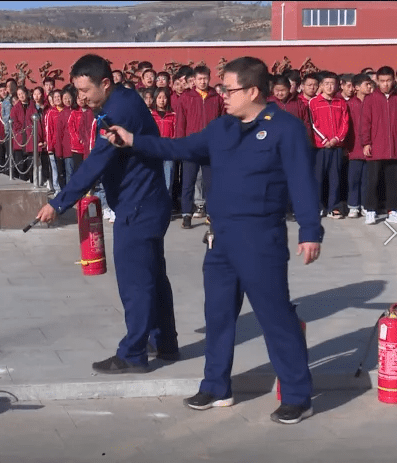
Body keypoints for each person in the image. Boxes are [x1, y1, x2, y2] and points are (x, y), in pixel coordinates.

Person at [106, 56, 322, 425]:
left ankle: (299, 397)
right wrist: (132, 140)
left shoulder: (285, 129)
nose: (223, 94)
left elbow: (303, 182)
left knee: (275, 317)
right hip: (220, 240)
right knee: (218, 315)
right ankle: (216, 386)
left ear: (253, 91)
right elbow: (179, 147)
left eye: (229, 88)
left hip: (261, 240)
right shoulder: (221, 128)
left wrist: (309, 232)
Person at [35, 53, 179, 374]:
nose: (81, 98)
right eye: (77, 92)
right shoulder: (121, 100)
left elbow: (97, 161)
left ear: (105, 82)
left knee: (135, 282)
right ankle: (165, 341)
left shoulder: (120, 111)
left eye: (85, 91)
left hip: (138, 207)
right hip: (148, 202)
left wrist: (59, 203)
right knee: (153, 276)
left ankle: (133, 353)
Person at [176, 65, 223, 228]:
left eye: (205, 79)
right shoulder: (186, 97)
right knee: (188, 182)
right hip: (191, 146)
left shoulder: (216, 98)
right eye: (199, 79)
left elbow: (222, 122)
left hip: (210, 147)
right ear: (194, 80)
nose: (203, 82)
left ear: (209, 79)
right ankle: (187, 215)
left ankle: (212, 214)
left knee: (211, 183)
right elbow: (180, 123)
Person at [360, 66, 397, 225]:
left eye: (389, 81)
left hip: (395, 148)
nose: (385, 84)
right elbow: (365, 123)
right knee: (373, 181)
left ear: (394, 80)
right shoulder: (370, 99)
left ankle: (393, 211)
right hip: (375, 147)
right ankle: (371, 210)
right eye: (382, 81)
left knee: (394, 182)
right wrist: (366, 143)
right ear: (377, 81)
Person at [309, 71, 349, 219]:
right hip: (320, 147)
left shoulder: (341, 102)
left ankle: (334, 207)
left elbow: (346, 123)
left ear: (338, 85)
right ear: (321, 86)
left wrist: (337, 139)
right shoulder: (313, 102)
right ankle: (318, 206)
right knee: (318, 177)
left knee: (335, 177)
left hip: (337, 146)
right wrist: (324, 140)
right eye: (326, 84)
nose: (330, 86)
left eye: (333, 83)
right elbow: (312, 124)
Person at [344, 74, 372, 218]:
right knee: (353, 179)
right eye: (366, 84)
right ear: (356, 87)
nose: (370, 87)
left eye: (370, 84)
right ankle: (353, 206)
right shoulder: (349, 104)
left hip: (370, 147)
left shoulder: (373, 102)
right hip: (353, 147)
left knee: (367, 179)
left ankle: (366, 206)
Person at [151, 87, 176, 196]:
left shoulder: (173, 116)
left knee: (168, 180)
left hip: (168, 152)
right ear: (155, 99)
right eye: (159, 97)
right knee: (154, 180)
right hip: (153, 151)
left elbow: (175, 134)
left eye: (164, 98)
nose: (162, 100)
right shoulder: (150, 116)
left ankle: (166, 206)